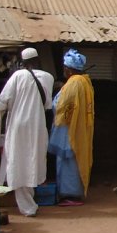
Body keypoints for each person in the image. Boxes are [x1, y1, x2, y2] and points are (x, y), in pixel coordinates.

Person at [0, 48, 54, 217]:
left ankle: (27, 207)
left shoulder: (18, 76)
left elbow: (3, 102)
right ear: (38, 60)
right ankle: (30, 203)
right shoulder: (48, 78)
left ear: (23, 62)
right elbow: (48, 105)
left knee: (18, 161)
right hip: (37, 125)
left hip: (18, 125)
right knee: (32, 161)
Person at [47, 49, 95, 206]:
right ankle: (74, 192)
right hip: (80, 127)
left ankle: (70, 194)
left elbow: (62, 106)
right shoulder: (84, 82)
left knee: (69, 162)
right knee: (77, 159)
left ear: (69, 69)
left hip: (70, 129)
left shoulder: (73, 83)